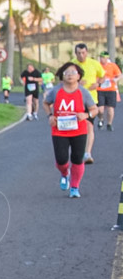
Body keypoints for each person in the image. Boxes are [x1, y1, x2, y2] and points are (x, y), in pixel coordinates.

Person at [44, 62, 97, 198]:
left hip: (79, 130)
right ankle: (64, 173)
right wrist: (50, 116)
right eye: (66, 72)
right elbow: (46, 103)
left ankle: (74, 187)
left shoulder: (83, 92)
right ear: (62, 75)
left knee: (77, 159)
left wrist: (86, 115)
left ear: (79, 76)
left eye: (73, 72)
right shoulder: (56, 90)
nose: (70, 75)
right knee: (61, 160)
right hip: (59, 130)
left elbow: (94, 109)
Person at [72, 43, 102, 163]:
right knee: (77, 126)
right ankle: (77, 151)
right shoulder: (72, 65)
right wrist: (77, 84)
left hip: (91, 100)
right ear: (75, 53)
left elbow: (102, 76)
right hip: (75, 100)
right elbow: (63, 80)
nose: (81, 55)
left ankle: (87, 153)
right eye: (78, 53)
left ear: (87, 52)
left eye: (83, 53)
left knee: (89, 125)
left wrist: (98, 84)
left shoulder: (94, 63)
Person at [96, 51, 121, 130]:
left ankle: (109, 124)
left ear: (107, 58)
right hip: (100, 89)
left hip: (111, 89)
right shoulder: (97, 66)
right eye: (101, 57)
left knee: (110, 109)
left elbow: (120, 75)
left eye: (103, 58)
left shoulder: (113, 66)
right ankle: (101, 119)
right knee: (100, 109)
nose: (102, 59)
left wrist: (116, 79)